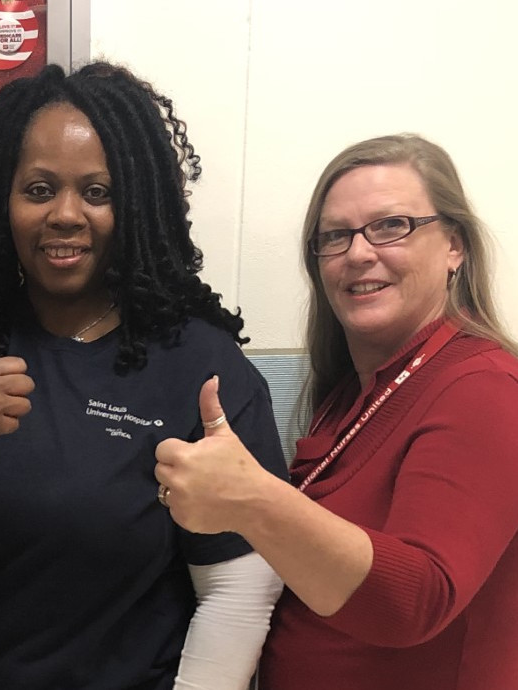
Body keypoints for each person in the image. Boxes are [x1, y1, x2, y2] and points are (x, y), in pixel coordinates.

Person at [0, 62, 287, 689]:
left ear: (137, 203)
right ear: (4, 198)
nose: (66, 215)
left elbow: (240, 592)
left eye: (98, 192)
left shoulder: (199, 366)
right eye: (39, 189)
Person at [155, 134, 518, 688]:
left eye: (392, 226)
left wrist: (252, 499)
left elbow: (417, 599)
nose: (359, 252)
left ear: (455, 245)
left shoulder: (485, 388)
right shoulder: (355, 395)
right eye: (335, 236)